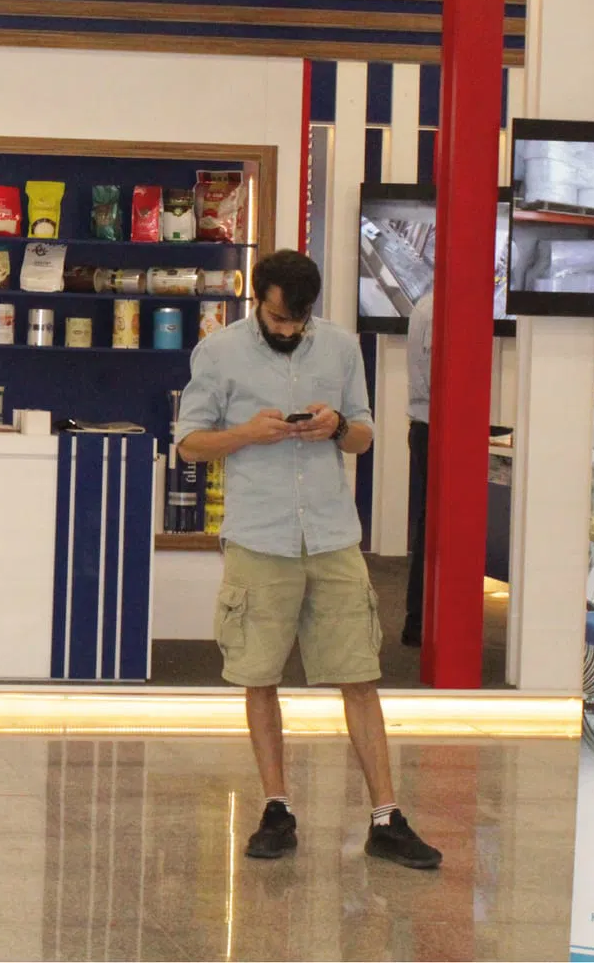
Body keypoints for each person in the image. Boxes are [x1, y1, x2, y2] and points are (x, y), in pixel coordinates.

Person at [175, 250, 443, 870]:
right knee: (259, 677)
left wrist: (336, 426)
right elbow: (189, 443)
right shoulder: (218, 352)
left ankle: (386, 818)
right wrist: (247, 433)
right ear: (258, 301)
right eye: (278, 319)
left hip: (331, 536)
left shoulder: (342, 348)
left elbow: (364, 435)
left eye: (298, 320)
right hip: (259, 538)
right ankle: (277, 811)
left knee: (360, 675)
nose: (289, 329)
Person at [403, 291, 433, 649]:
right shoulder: (437, 309)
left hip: (428, 427)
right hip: (434, 429)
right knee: (433, 527)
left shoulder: (427, 304)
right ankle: (420, 622)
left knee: (430, 524)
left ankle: (420, 621)